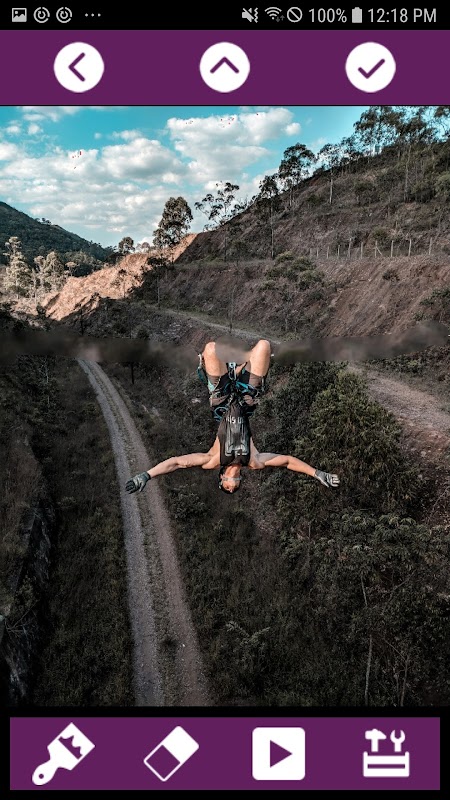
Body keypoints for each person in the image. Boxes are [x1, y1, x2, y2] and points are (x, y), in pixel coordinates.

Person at [125, 339, 339, 495]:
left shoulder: (213, 460)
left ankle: (231, 370)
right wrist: (318, 474)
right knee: (264, 346)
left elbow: (177, 463)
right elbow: (287, 461)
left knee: (211, 348)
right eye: (235, 487)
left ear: (221, 477)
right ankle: (239, 367)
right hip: (247, 398)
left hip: (222, 399)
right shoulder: (253, 460)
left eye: (227, 486)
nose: (233, 485)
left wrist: (146, 475)